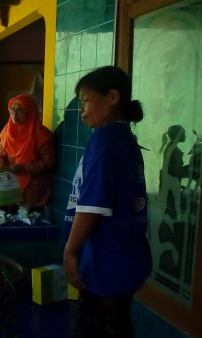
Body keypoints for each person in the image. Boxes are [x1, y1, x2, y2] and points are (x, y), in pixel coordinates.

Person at [63, 66, 152, 337]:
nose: (82, 110)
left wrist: (70, 251)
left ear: (112, 97)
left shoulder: (105, 140)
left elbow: (92, 207)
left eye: (86, 101)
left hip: (107, 260)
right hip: (124, 257)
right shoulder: (122, 137)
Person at [0, 94, 55, 209]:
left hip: (33, 189)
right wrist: (3, 171)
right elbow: (0, 155)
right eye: (12, 110)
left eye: (20, 110)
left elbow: (49, 161)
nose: (14, 114)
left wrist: (23, 167)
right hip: (9, 185)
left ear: (29, 111)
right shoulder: (7, 132)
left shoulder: (41, 134)